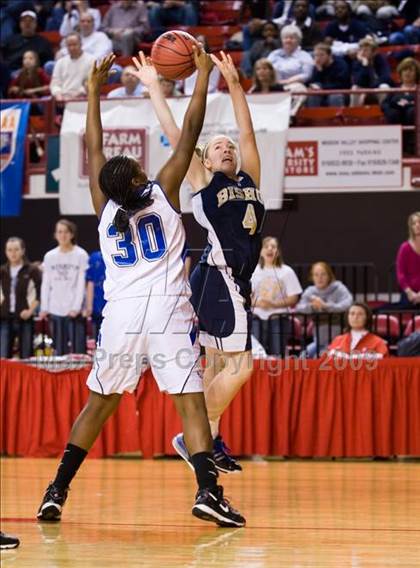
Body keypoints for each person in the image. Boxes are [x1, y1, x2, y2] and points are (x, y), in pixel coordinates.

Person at [37, 52, 245, 528]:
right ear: (136, 179)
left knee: (100, 402)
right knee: (189, 401)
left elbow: (94, 149)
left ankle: (57, 491)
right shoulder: (164, 188)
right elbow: (190, 129)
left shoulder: (104, 208)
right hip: (167, 311)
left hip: (123, 316)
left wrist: (92, 93)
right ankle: (208, 492)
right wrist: (204, 75)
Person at [137, 50, 265, 473]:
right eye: (217, 147)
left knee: (217, 366)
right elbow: (178, 133)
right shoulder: (202, 180)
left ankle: (209, 441)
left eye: (229, 146)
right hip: (220, 277)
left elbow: (247, 130)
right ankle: (197, 436)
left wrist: (234, 83)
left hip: (229, 281)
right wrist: (156, 88)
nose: (227, 148)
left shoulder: (250, 179)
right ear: (205, 160)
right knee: (242, 366)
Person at [39, 219, 88, 355]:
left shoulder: (81, 255)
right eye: (60, 232)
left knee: (78, 352)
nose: (63, 235)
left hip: (74, 310)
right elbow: (46, 284)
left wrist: (76, 307)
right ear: (55, 235)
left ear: (72, 234)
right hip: (55, 309)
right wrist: (44, 307)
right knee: (59, 351)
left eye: (66, 232)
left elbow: (81, 284)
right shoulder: (49, 256)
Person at [251, 236, 302, 357]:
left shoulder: (286, 271)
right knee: (257, 353)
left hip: (279, 318)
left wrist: (273, 304)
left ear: (278, 251)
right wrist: (257, 303)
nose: (270, 249)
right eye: (266, 246)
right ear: (261, 251)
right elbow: (245, 295)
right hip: (256, 317)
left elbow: (294, 297)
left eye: (273, 247)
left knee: (277, 353)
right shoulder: (253, 271)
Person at [296, 261, 353, 358]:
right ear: (312, 277)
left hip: (338, 337)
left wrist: (325, 306)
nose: (320, 278)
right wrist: (312, 307)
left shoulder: (339, 288)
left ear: (329, 275)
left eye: (323, 274)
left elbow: (348, 304)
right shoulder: (310, 291)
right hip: (318, 338)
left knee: (323, 356)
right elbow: (300, 308)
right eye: (316, 275)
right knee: (302, 357)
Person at [0, 237, 41, 359]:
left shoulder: (32, 270)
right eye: (10, 250)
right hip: (5, 319)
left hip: (25, 319)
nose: (13, 253)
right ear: (6, 252)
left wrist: (30, 311)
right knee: (3, 358)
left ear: (23, 250)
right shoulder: (2, 271)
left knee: (26, 357)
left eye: (16, 249)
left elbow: (39, 294)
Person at [267, 24, 313, 114]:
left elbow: (306, 74)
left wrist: (287, 81)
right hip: (274, 84)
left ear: (298, 41)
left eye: (292, 38)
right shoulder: (274, 54)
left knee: (300, 91)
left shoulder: (305, 56)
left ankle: (290, 115)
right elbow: (266, 68)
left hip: (295, 85)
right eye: (285, 38)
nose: (288, 40)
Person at [50, 32, 94, 101]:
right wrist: (59, 96)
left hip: (82, 98)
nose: (72, 48)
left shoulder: (91, 60)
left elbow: (90, 83)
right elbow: (55, 84)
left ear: (81, 44)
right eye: (69, 45)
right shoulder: (60, 62)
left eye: (74, 45)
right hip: (62, 98)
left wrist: (74, 97)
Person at [350, 36, 392, 107]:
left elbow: (385, 78)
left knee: (384, 87)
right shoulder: (357, 63)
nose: (362, 53)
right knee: (355, 88)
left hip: (376, 90)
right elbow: (357, 81)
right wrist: (365, 65)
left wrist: (369, 90)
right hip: (364, 91)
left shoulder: (381, 61)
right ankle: (352, 115)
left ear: (374, 52)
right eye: (361, 50)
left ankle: (385, 113)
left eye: (366, 50)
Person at [307, 42, 350, 107]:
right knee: (313, 93)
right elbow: (314, 82)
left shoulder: (341, 65)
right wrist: (319, 71)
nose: (318, 58)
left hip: (339, 91)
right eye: (316, 55)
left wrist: (322, 88)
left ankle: (336, 117)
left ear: (329, 55)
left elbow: (341, 84)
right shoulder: (317, 65)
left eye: (321, 55)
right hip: (323, 91)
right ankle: (312, 116)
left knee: (334, 96)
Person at [396, 211, 420, 307]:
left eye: (419, 222)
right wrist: (409, 292)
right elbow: (400, 273)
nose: (417, 225)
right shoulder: (405, 247)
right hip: (409, 294)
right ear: (411, 227)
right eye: (414, 223)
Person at [85, 250, 106, 341]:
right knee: (98, 338)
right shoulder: (94, 258)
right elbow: (90, 282)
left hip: (116, 303)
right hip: (98, 305)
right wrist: (89, 305)